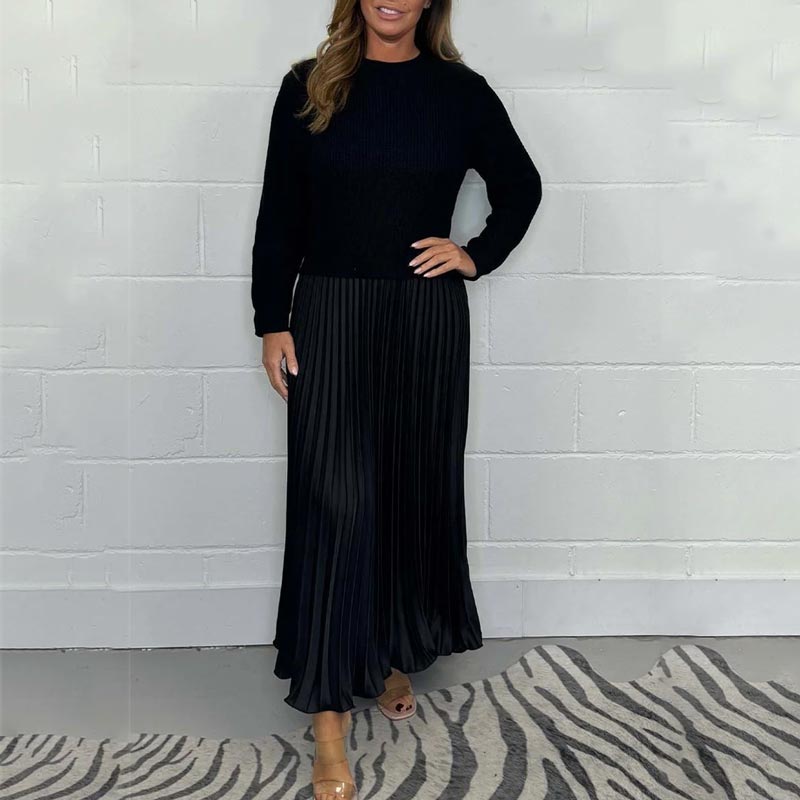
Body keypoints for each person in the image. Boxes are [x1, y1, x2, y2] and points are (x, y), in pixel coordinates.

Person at [250, 1, 542, 797]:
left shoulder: (460, 91)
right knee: (336, 502)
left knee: (408, 492)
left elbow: (521, 185)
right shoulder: (309, 85)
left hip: (424, 316)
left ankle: (382, 654)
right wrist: (271, 320)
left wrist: (475, 255)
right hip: (331, 312)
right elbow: (280, 213)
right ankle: (327, 721)